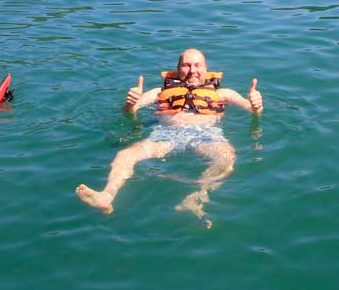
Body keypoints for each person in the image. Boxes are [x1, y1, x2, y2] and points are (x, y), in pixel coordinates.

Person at [76, 48, 263, 224]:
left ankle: (197, 197)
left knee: (226, 156)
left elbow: (253, 110)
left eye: (198, 65)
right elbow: (130, 112)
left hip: (206, 136)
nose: (192, 70)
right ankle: (106, 196)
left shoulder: (223, 93)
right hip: (165, 135)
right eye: (186, 65)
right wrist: (129, 105)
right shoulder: (159, 92)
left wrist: (256, 105)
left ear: (206, 69)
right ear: (178, 69)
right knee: (126, 154)